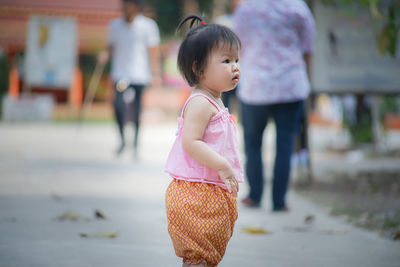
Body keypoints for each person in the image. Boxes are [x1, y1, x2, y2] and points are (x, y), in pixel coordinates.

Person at [164, 15, 243, 267]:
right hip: (196, 195)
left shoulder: (215, 99)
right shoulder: (200, 102)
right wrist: (222, 164)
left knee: (205, 259)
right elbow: (191, 141)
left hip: (207, 192)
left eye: (236, 60)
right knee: (199, 258)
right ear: (199, 68)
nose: (235, 67)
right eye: (226, 61)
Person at [232, 0, 316, 211]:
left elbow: (236, 47)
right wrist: (307, 80)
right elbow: (307, 49)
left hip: (255, 87)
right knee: (285, 145)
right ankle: (279, 201)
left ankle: (254, 195)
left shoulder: (246, 9)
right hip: (290, 85)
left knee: (252, 143)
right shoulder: (297, 8)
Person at [98, 0, 161, 157]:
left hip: (140, 75)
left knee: (137, 108)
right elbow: (110, 46)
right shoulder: (115, 25)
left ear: (136, 7)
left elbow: (153, 51)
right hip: (121, 74)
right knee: (118, 105)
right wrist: (105, 55)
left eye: (130, 5)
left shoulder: (148, 26)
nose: (127, 8)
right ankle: (122, 140)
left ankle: (135, 144)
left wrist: (156, 73)